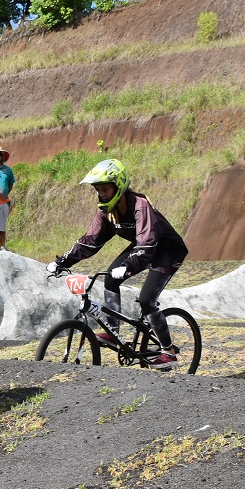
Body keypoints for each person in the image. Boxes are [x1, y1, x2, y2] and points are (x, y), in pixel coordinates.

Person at [46, 158, 188, 368]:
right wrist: (63, 261)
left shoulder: (140, 205)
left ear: (119, 186)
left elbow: (148, 243)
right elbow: (91, 240)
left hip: (166, 250)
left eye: (105, 189)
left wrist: (129, 266)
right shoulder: (106, 212)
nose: (101, 194)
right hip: (141, 248)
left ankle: (168, 352)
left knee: (147, 300)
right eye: (98, 189)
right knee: (110, 279)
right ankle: (114, 332)